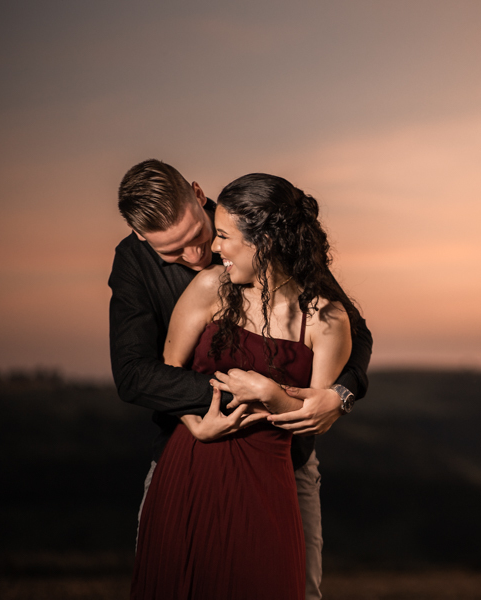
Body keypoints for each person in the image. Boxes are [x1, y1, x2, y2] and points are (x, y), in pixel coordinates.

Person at [109, 160, 372, 599]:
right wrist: (209, 412)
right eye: (172, 253)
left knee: (296, 586)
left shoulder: (258, 223)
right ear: (142, 238)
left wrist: (340, 394)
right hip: (189, 449)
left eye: (199, 236)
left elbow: (351, 330)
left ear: (198, 195)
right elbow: (135, 373)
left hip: (285, 463)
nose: (196, 255)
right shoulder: (137, 263)